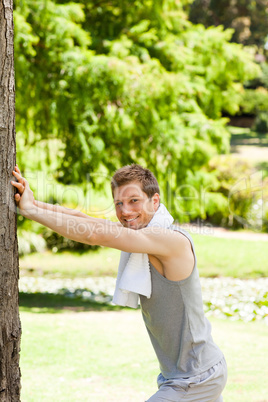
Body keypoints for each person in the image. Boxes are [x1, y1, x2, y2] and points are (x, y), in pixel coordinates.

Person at [11, 163, 227, 401]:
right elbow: (83, 219)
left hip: (196, 377)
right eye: (118, 203)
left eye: (134, 201)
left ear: (154, 201)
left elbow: (93, 234)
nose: (125, 211)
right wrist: (32, 203)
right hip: (181, 374)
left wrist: (31, 211)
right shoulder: (143, 236)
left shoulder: (168, 240)